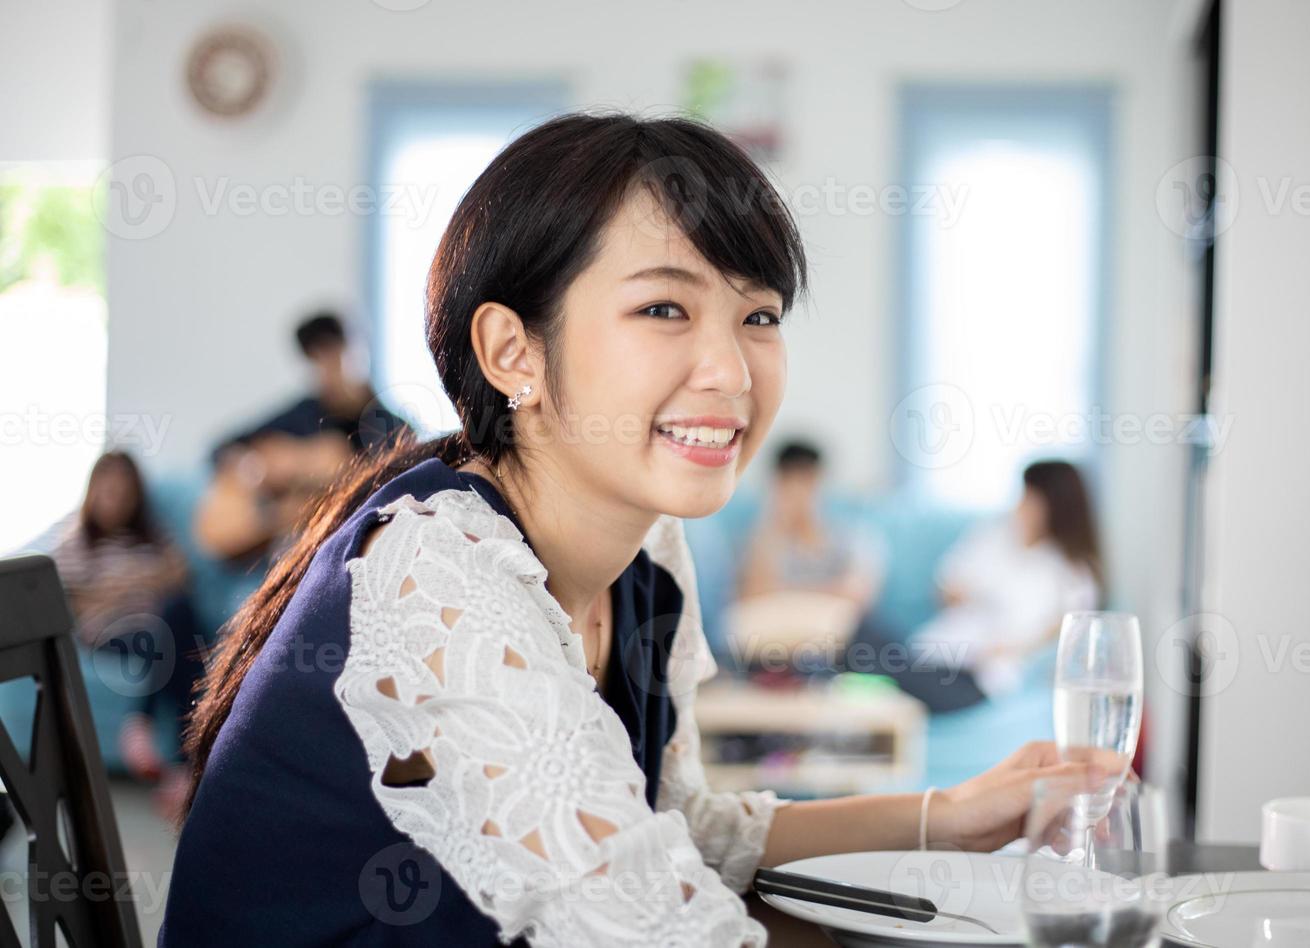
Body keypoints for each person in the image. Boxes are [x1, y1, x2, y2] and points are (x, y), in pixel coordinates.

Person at [161, 113, 1101, 947]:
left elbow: (674, 822)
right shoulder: (437, 571)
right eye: (664, 308)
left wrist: (950, 813)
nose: (732, 371)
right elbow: (653, 925)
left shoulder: (648, 550)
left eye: (759, 315)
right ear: (510, 351)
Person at [858, 460, 1103, 713]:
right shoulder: (994, 534)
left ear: (1057, 505)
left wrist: (1006, 647)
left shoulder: (1072, 572)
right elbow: (946, 588)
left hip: (978, 677)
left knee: (873, 654)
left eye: (1031, 498)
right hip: (935, 653)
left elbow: (1067, 636)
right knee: (870, 640)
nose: (1021, 506)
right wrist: (968, 596)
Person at [50, 450, 207, 817]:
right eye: (108, 492)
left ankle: (168, 754)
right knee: (167, 641)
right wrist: (133, 585)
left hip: (156, 626)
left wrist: (121, 585)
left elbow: (181, 578)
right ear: (93, 493)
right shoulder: (75, 541)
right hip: (112, 630)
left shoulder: (153, 537)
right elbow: (67, 599)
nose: (115, 500)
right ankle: (150, 732)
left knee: (181, 623)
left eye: (124, 493)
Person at [193, 311, 407, 564]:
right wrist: (258, 470)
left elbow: (399, 487)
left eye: (334, 351)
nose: (327, 366)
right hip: (285, 546)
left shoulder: (392, 426)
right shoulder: (302, 413)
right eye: (316, 356)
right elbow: (220, 449)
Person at [737, 439, 885, 608]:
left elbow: (856, 593)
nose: (798, 493)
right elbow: (753, 596)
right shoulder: (762, 538)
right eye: (788, 483)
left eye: (805, 481)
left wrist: (787, 594)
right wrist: (777, 530)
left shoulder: (850, 535)